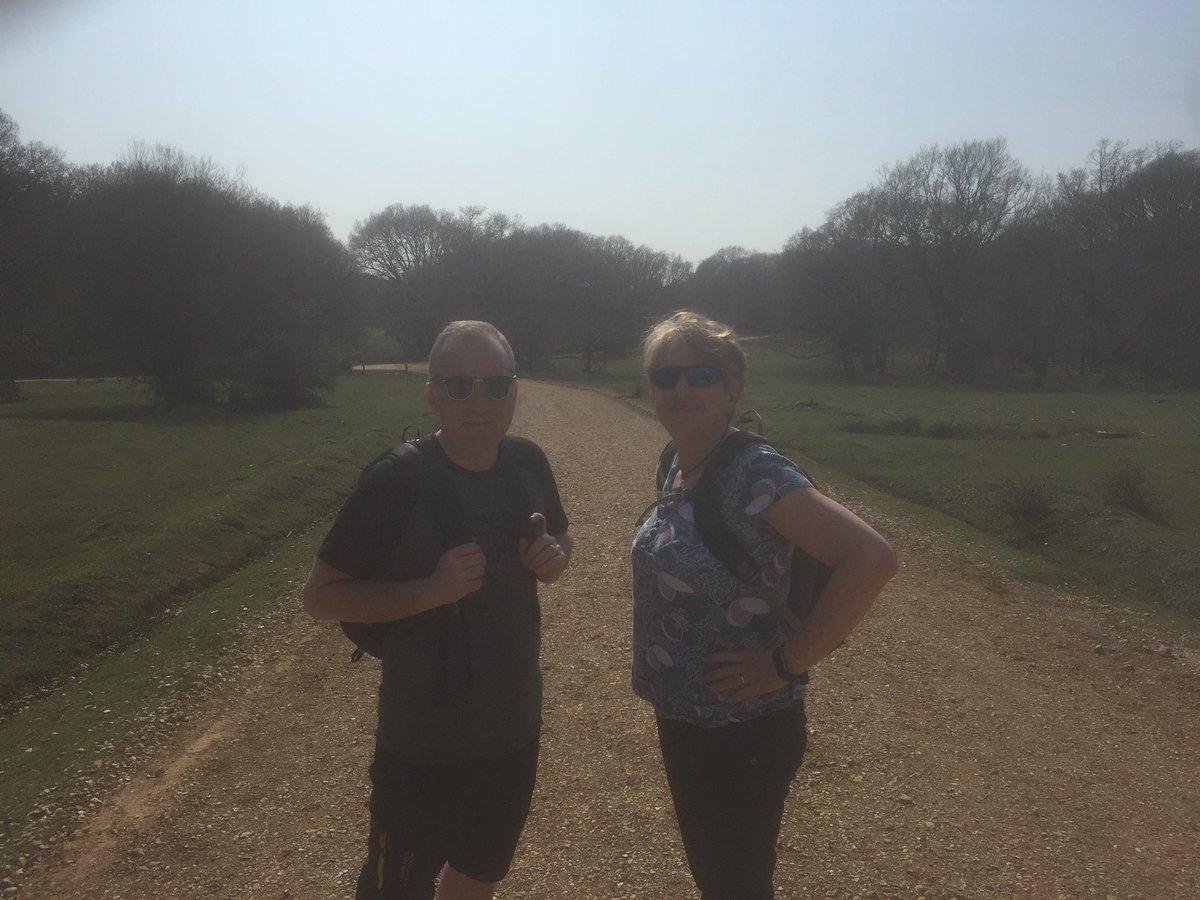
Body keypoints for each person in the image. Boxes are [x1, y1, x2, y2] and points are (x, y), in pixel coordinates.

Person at [630, 310, 897, 900]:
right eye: (665, 376)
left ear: (732, 389)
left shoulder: (755, 472)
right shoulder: (675, 462)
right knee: (718, 875)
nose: (681, 389)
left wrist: (786, 663)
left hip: (743, 725)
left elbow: (871, 559)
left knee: (735, 883)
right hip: (687, 716)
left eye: (700, 374)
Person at [303, 320, 572, 900]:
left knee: (479, 874)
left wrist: (554, 558)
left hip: (513, 730)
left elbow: (562, 541)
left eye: (494, 385)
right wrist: (430, 590)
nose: (478, 401)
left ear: (514, 392)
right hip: (419, 743)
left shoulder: (528, 464)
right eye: (458, 386)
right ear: (431, 395)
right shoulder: (395, 480)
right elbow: (319, 597)